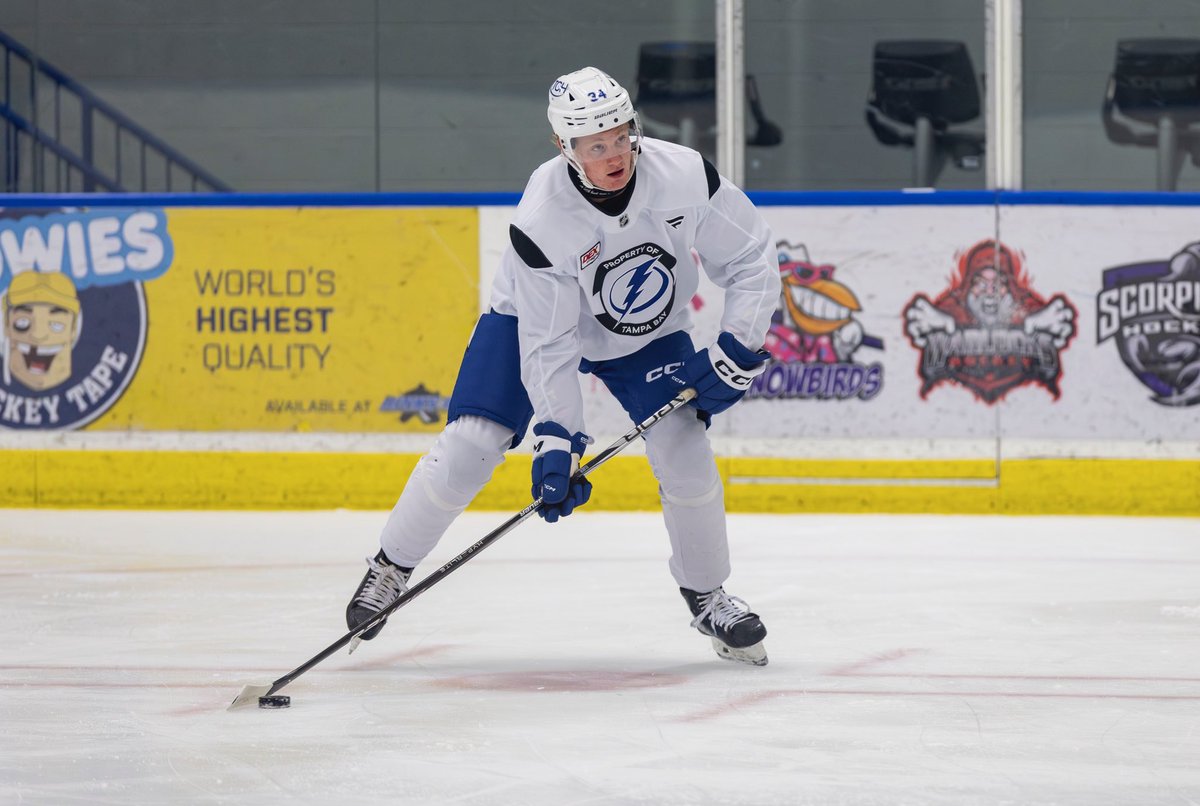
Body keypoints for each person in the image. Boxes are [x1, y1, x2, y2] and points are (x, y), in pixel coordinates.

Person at [346, 66, 781, 666]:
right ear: (565, 147)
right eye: (595, 144)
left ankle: (708, 596)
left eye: (622, 135)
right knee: (473, 443)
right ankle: (389, 569)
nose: (614, 153)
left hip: (643, 331)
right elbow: (549, 342)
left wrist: (738, 347)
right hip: (530, 319)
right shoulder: (543, 216)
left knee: (684, 446)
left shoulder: (684, 174)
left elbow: (753, 257)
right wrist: (556, 439)